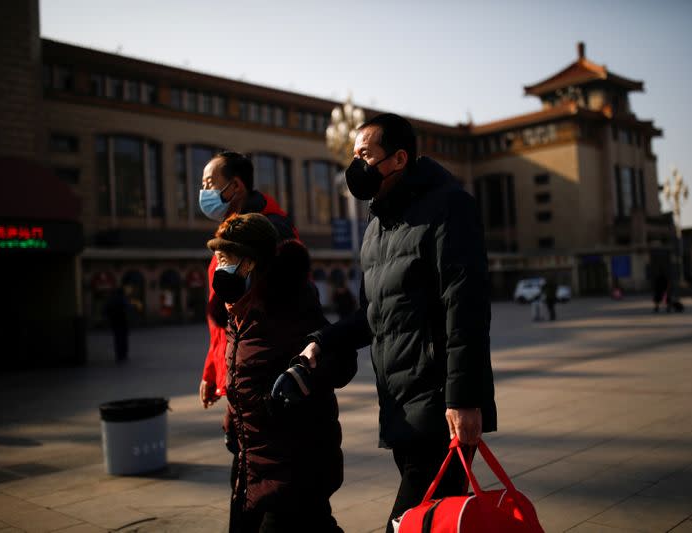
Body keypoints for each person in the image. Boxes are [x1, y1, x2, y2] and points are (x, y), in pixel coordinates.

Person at [280, 113, 497, 533]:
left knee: (406, 524)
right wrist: (321, 342)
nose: (356, 165)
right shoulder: (378, 224)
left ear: (399, 159)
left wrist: (464, 399)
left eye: (366, 154)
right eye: (354, 155)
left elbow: (465, 308)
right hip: (400, 409)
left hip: (441, 409)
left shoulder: (449, 206)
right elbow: (372, 314)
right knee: (436, 525)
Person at [208, 213, 355, 532]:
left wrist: (301, 378)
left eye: (225, 259)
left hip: (295, 471)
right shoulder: (240, 315)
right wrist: (234, 415)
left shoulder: (291, 308)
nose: (220, 270)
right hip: (255, 467)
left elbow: (340, 359)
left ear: (250, 264)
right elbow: (247, 373)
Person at [197, 151, 299, 452]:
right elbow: (224, 312)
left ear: (236, 186)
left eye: (209, 183)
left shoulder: (270, 231)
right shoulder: (230, 230)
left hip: (261, 376)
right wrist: (214, 370)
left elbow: (273, 311)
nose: (204, 192)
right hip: (238, 368)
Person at [103, 287, 130, 363]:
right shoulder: (123, 298)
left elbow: (105, 309)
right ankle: (123, 354)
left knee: (117, 338)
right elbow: (128, 308)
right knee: (124, 338)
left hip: (114, 321)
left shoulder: (111, 299)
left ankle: (118, 354)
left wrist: (108, 317)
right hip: (123, 321)